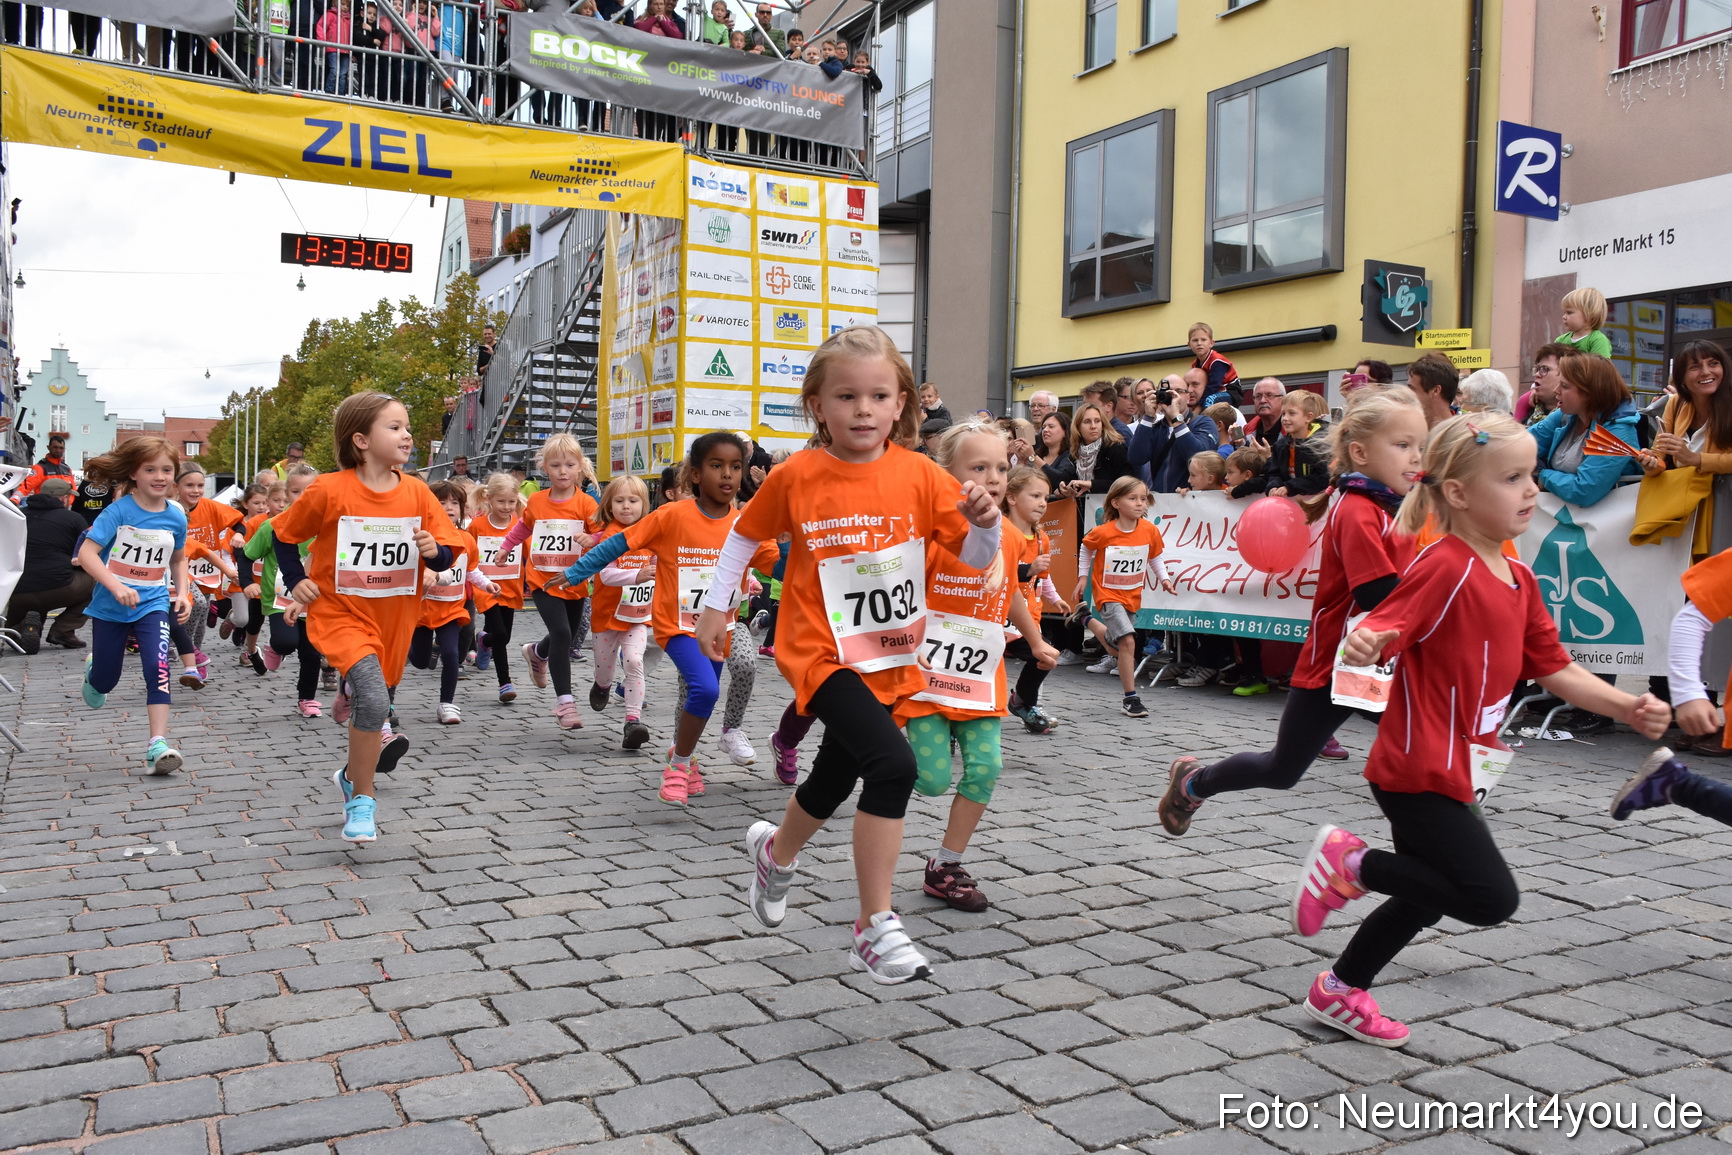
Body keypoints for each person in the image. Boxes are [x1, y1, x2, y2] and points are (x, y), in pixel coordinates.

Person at [1287, 412, 1669, 1048]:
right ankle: (1351, 862)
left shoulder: (1519, 577)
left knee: (1428, 893)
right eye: (1511, 478)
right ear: (1459, 493)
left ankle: (1340, 989)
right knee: (1490, 898)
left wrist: (1625, 706)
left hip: (1460, 768)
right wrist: (1370, 639)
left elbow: (1556, 667)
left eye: (1531, 476)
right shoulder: (1446, 564)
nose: (1531, 490)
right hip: (1417, 769)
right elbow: (1387, 621)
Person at [694, 325, 1003, 986]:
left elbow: (976, 559)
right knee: (893, 766)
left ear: (901, 404)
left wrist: (987, 525)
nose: (863, 409)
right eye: (846, 396)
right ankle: (874, 925)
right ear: (818, 405)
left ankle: (775, 855)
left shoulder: (923, 475)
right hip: (819, 651)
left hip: (889, 656)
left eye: (878, 396)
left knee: (835, 775)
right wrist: (717, 606)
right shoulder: (797, 475)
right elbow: (743, 535)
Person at [1161, 389, 1429, 837]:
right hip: (1335, 664)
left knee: (1423, 740)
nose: (1416, 457)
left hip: (1376, 658)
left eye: (1420, 445)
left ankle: (1436, 830)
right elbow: (1375, 594)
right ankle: (1194, 782)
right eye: (1403, 445)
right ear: (1361, 453)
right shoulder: (1358, 509)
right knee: (1281, 770)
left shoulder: (1394, 506)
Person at [271, 391, 469, 843]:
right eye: (394, 427)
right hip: (340, 613)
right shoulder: (329, 489)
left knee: (377, 696)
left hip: (394, 617)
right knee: (377, 703)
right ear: (360, 440)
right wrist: (296, 579)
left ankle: (349, 775)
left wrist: (434, 551)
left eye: (407, 426)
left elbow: (445, 554)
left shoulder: (417, 491)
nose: (407, 435)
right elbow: (282, 534)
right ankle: (362, 799)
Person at [554, 433, 777, 802]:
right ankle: (679, 765)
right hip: (678, 627)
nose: (727, 474)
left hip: (721, 628)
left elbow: (777, 563)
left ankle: (683, 756)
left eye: (736, 467)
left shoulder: (746, 524)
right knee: (706, 689)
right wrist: (578, 571)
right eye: (717, 466)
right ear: (695, 474)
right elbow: (619, 543)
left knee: (701, 698)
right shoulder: (671, 516)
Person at [902, 423, 1058, 912]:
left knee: (987, 768)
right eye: (978, 467)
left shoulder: (1010, 537)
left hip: (979, 678)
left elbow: (1010, 593)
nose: (992, 478)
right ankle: (876, 760)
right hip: (927, 677)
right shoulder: (932, 533)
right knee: (930, 780)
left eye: (1000, 468)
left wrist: (1036, 640)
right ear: (946, 474)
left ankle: (946, 865)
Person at [75, 436, 192, 776]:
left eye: (166, 470)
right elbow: (87, 554)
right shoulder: (118, 511)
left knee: (158, 666)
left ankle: (158, 745)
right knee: (105, 682)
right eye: (150, 469)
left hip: (153, 602)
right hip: (110, 606)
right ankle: (95, 672)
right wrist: (116, 585)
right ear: (134, 474)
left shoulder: (176, 516)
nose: (160, 477)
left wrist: (182, 593)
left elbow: (178, 559)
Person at [496, 434, 600, 731]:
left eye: (569, 465)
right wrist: (505, 547)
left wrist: (592, 538)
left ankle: (537, 652)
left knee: (564, 635)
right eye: (555, 466)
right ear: (544, 468)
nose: (563, 471)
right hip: (542, 580)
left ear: (579, 467)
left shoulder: (586, 503)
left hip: (574, 581)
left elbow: (603, 533)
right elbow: (523, 526)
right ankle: (565, 703)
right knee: (562, 633)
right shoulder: (538, 501)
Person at [1074, 475, 1172, 718]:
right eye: (1132, 498)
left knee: (1116, 646)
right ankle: (1131, 699)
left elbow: (1155, 556)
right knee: (1128, 642)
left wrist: (1164, 578)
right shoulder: (1104, 532)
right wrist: (1083, 578)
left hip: (1132, 596)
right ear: (1116, 503)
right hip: (1107, 594)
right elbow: (1086, 548)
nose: (1140, 503)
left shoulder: (1149, 530)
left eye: (1143, 499)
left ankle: (1085, 619)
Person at [409, 481, 496, 725]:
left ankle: (447, 704)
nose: (449, 508)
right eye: (441, 502)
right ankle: (408, 648)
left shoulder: (466, 539)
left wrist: (486, 584)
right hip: (422, 610)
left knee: (451, 654)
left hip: (451, 609)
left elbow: (471, 570)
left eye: (455, 503)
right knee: (420, 661)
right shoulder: (421, 537)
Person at [580, 476, 655, 751]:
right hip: (607, 616)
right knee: (605, 671)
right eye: (619, 501)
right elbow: (607, 574)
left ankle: (633, 721)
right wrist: (637, 575)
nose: (626, 506)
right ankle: (602, 686)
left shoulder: (651, 534)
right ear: (609, 506)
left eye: (633, 501)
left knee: (634, 661)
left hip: (637, 616)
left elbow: (660, 565)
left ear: (644, 504)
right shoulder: (610, 536)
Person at [246, 465, 323, 717]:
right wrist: (247, 582)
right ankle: (276, 648)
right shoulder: (272, 526)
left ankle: (307, 699)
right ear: (287, 493)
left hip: (315, 601)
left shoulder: (328, 524)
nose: (302, 497)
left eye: (308, 491)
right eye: (295, 491)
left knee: (311, 653)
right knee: (286, 642)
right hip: (279, 600)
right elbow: (247, 555)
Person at [1003, 466, 1070, 734]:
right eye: (1035, 496)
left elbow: (1042, 576)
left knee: (1045, 655)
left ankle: (1023, 702)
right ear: (1011, 497)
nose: (1042, 503)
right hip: (994, 615)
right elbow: (999, 573)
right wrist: (1027, 570)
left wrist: (1056, 598)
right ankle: (957, 716)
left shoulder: (1042, 538)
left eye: (1045, 497)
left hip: (1025, 617)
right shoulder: (999, 531)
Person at [1530, 352, 1642, 506]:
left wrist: (1544, 476)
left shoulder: (1619, 431)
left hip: (1605, 518)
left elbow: (1584, 490)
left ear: (1590, 392)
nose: (1556, 390)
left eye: (1564, 386)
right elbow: (1524, 444)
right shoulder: (1565, 414)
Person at [8, 478, 93, 651]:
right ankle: (63, 630)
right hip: (59, 587)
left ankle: (21, 629)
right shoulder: (73, 518)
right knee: (99, 584)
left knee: (15, 631)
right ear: (64, 498)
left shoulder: (17, 516)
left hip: (17, 590)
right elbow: (86, 555)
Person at [469, 472, 526, 707]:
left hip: (510, 588)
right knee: (501, 635)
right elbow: (469, 555)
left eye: (511, 501)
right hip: (486, 589)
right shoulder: (477, 526)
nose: (506, 506)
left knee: (505, 636)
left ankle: (484, 642)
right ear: (489, 499)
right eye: (501, 501)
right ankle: (505, 683)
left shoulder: (520, 525)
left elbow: (530, 553)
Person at [1129, 372, 1217, 493]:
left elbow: (1199, 457)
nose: (1172, 396)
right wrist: (1148, 417)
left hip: (1192, 499)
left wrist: (1176, 418)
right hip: (1162, 501)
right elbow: (1136, 458)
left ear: (1188, 396)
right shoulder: (1156, 428)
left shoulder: (1203, 423)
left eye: (1178, 391)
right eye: (1167, 392)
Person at [1046, 402, 1128, 500]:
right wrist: (1063, 488)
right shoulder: (1074, 453)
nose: (1093, 426)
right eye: (1087, 422)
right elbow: (1067, 479)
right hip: (1084, 507)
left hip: (1112, 506)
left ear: (1103, 424)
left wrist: (1092, 484)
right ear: (1078, 427)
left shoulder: (1115, 447)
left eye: (1097, 421)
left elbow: (1127, 483)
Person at [1264, 392, 1332, 498]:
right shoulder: (1280, 445)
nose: (1285, 418)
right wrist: (1273, 486)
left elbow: (1323, 478)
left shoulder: (1320, 443)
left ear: (1308, 417)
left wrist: (1289, 487)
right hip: (1291, 503)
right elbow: (1274, 473)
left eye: (1291, 413)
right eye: (1283, 414)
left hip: (1319, 502)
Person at [1514, 343, 1568, 427]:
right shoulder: (1527, 413)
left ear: (1566, 375)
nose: (1537, 374)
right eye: (1537, 369)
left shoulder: (1572, 419)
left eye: (1545, 369)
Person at [1189, 322, 1242, 406]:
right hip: (1214, 391)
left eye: (1203, 340)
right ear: (1189, 345)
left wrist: (1198, 407)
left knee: (1209, 400)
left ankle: (1204, 415)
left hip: (1229, 392)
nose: (1199, 343)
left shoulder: (1217, 361)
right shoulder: (1195, 365)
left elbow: (1213, 386)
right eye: (1195, 340)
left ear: (1211, 343)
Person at [1406, 352, 1460, 428]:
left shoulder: (1464, 432)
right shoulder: (1408, 429)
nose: (1406, 393)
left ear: (1436, 391)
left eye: (1412, 388)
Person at [1556, 286, 1613, 358]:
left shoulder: (1598, 340)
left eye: (1569, 312)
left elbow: (1600, 364)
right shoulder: (1560, 340)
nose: (1564, 317)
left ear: (1589, 315)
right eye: (1564, 313)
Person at [16, 431, 72, 499]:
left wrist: (68, 502)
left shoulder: (67, 469)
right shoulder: (40, 468)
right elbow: (25, 486)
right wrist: (14, 499)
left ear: (64, 449)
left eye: (61, 448)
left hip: (63, 505)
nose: (58, 450)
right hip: (45, 505)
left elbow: (73, 492)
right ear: (48, 447)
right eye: (55, 447)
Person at [1243, 377, 1287, 446]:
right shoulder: (1246, 432)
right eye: (1258, 396)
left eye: (1269, 395)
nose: (1262, 400)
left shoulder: (1293, 432)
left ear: (1283, 399)